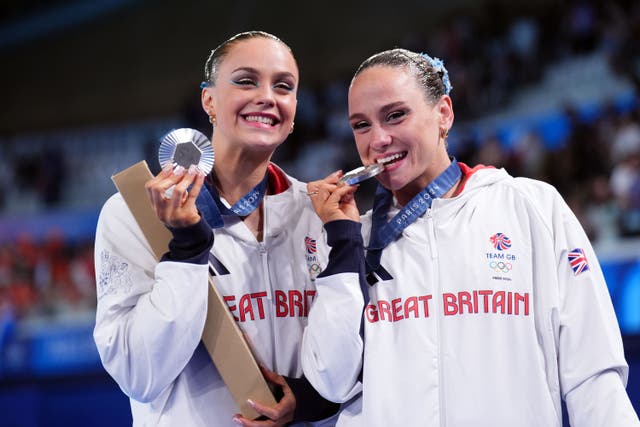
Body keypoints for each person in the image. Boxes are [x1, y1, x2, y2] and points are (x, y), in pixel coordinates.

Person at [301, 48, 640, 426]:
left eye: (395, 115)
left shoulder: (531, 208)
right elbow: (331, 381)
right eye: (361, 125)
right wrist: (344, 242)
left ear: (443, 113)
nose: (378, 139)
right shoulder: (354, 241)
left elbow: (593, 371)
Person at [93, 31, 339, 426]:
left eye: (284, 86)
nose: (267, 96)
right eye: (246, 80)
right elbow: (138, 373)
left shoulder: (318, 213)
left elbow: (352, 359)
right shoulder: (134, 213)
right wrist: (187, 251)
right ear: (208, 100)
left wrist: (307, 400)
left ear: (293, 110)